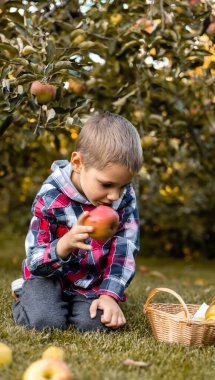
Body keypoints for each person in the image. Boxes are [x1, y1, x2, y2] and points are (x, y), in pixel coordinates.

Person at [12, 111, 143, 332]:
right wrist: (65, 244)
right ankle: (24, 291)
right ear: (77, 163)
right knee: (46, 322)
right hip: (48, 276)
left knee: (96, 325)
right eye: (107, 185)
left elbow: (125, 249)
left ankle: (79, 303)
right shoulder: (51, 197)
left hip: (90, 281)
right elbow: (35, 258)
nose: (114, 196)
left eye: (122, 186)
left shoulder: (123, 198)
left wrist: (109, 295)